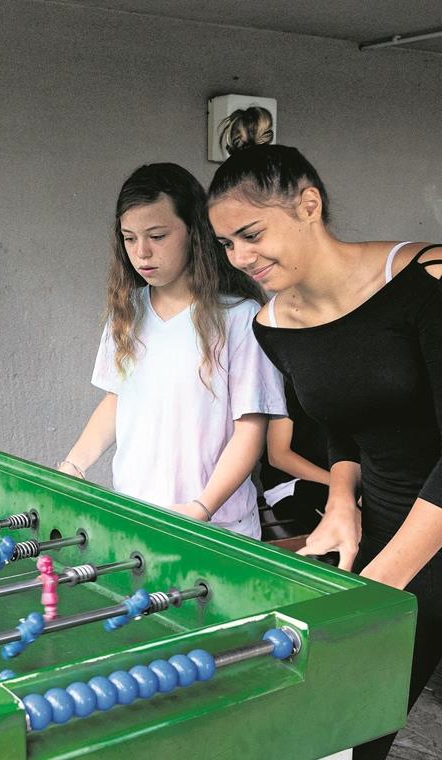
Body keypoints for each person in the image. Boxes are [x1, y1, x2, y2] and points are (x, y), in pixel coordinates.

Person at [207, 106, 442, 758]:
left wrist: (375, 589)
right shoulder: (272, 327)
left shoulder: (434, 275)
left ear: (307, 203)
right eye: (226, 246)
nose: (241, 259)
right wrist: (340, 501)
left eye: (250, 234)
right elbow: (342, 433)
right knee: (350, 740)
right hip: (379, 545)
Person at [58, 163, 284, 538]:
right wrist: (73, 466)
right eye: (129, 239)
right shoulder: (127, 310)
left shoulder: (240, 318)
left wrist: (202, 507)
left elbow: (250, 428)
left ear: (195, 232)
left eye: (157, 235)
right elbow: (117, 400)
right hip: (135, 516)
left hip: (217, 528)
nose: (142, 252)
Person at [259, 381, 329, 542]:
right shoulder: (287, 389)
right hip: (289, 487)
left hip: (341, 483)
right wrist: (341, 483)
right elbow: (278, 457)